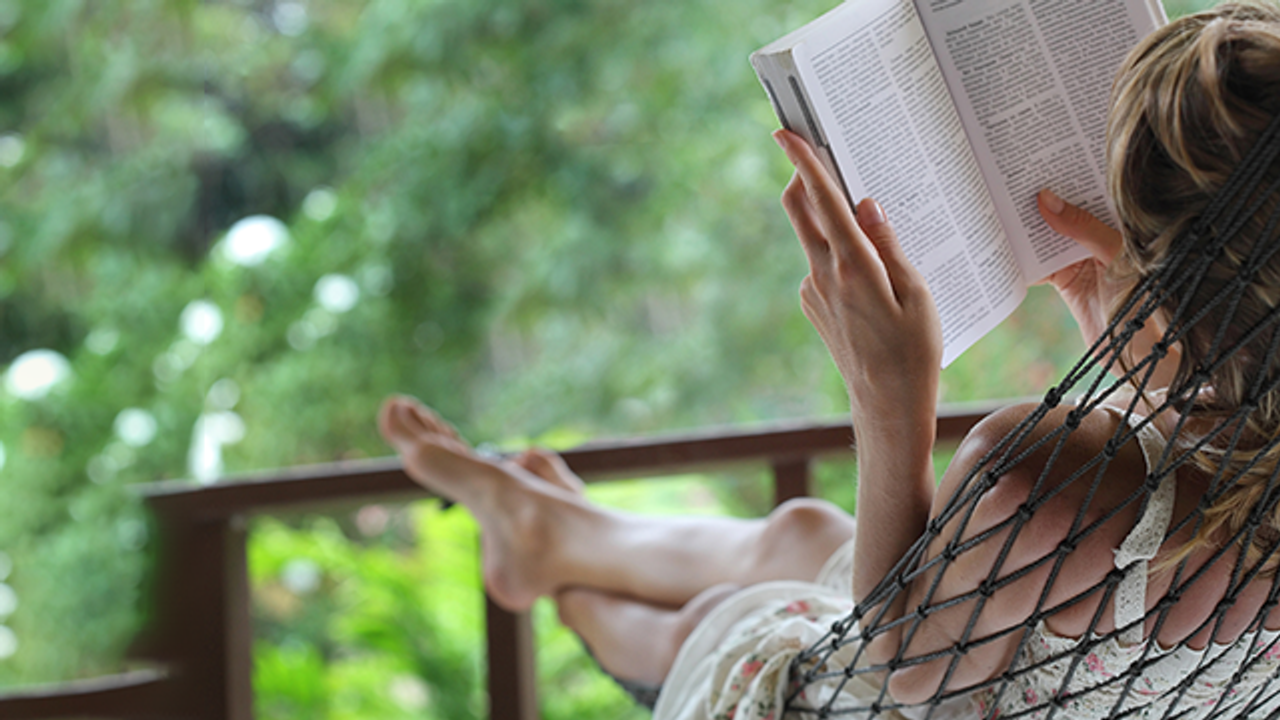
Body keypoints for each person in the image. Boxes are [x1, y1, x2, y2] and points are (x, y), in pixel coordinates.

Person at [378, 4, 1280, 718]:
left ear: (1173, 290)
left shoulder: (1037, 479)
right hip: (1045, 643)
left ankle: (554, 568)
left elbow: (896, 674)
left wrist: (889, 396)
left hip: (862, 696)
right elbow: (1184, 502)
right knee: (803, 532)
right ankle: (547, 533)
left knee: (725, 620)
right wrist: (1125, 333)